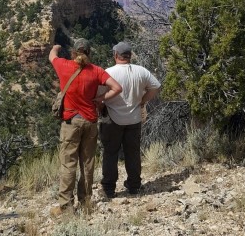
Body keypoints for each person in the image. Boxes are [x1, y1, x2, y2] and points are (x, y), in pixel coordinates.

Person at [49, 38, 122, 215]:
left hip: (71, 122)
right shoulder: (96, 71)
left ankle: (66, 206)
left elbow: (52, 56)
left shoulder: (64, 66)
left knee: (68, 164)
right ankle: (85, 202)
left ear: (74, 53)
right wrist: (101, 99)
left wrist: (56, 47)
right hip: (90, 121)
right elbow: (117, 88)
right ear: (89, 53)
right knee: (87, 163)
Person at [99, 41, 161, 198]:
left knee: (110, 153)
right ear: (130, 55)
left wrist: (101, 107)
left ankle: (109, 188)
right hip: (133, 118)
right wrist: (142, 101)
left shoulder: (108, 72)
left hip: (112, 118)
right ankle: (134, 185)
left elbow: (99, 96)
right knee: (132, 153)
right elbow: (155, 87)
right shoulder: (141, 71)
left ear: (115, 55)